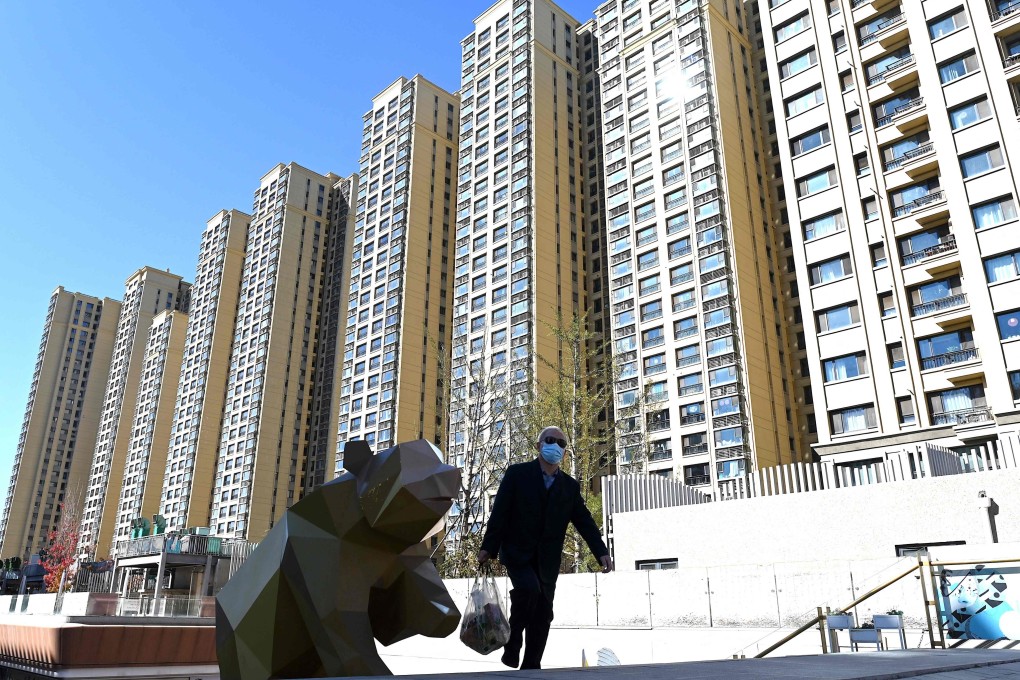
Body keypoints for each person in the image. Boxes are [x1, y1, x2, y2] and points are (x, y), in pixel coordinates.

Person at [478, 425, 614, 670]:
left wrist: (601, 552)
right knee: (529, 590)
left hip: (548, 561)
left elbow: (584, 521)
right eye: (550, 440)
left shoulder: (569, 487)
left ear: (564, 452)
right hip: (517, 553)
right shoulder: (517, 474)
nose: (556, 445)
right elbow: (499, 513)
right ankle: (513, 641)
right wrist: (488, 547)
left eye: (561, 443)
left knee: (543, 614)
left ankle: (532, 666)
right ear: (539, 445)